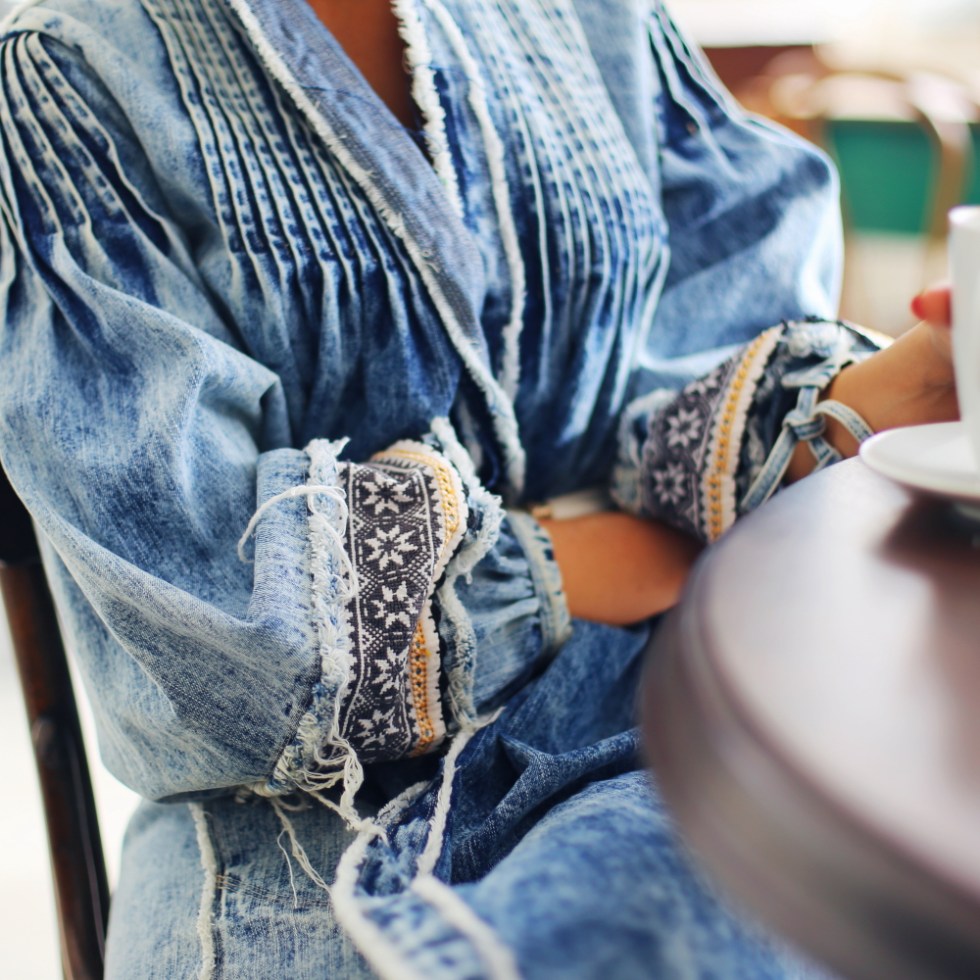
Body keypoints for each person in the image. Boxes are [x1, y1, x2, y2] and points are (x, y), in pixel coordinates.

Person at [0, 0, 957, 976]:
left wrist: (913, 380)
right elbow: (214, 633)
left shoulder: (597, 16)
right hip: (318, 841)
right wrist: (586, 554)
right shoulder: (71, 69)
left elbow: (718, 335)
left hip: (671, 730)